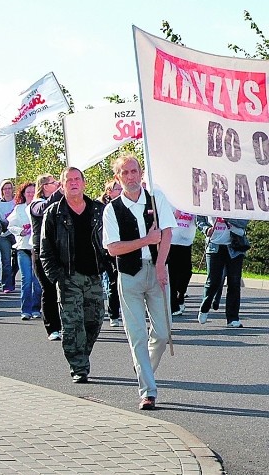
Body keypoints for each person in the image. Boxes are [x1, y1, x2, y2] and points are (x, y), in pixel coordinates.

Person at [102, 154, 176, 410]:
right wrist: (145, 240)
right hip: (129, 274)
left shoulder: (156, 199)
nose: (131, 177)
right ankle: (148, 390)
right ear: (118, 178)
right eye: (126, 173)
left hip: (156, 271)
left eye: (134, 171)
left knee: (164, 332)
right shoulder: (112, 209)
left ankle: (144, 367)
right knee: (137, 336)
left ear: (141, 173)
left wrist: (160, 265)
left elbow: (167, 233)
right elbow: (112, 248)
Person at [40, 167, 107, 383]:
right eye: (69, 180)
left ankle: (82, 354)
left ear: (84, 183)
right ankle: (79, 367)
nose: (74, 183)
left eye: (77, 179)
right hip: (68, 276)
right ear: (62, 185)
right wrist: (57, 277)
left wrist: (109, 265)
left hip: (94, 275)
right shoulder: (54, 213)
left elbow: (109, 240)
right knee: (72, 325)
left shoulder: (98, 210)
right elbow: (45, 248)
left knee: (94, 321)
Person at [196, 216, 249, 328]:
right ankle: (205, 307)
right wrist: (205, 229)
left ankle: (233, 318)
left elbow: (244, 222)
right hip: (214, 246)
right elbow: (199, 219)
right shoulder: (208, 202)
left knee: (234, 283)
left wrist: (228, 218)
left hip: (235, 245)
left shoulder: (238, 203)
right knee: (213, 281)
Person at [29, 174, 62, 341]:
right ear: (44, 186)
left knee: (61, 288)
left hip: (57, 250)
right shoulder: (36, 203)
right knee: (48, 289)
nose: (57, 184)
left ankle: (63, 324)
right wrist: (61, 190)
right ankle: (52, 328)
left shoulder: (59, 201)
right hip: (41, 251)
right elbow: (44, 209)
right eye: (53, 182)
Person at [9, 182, 42, 320]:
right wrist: (20, 231)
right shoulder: (19, 209)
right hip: (23, 248)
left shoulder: (40, 206)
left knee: (37, 282)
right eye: (28, 192)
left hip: (36, 248)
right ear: (23, 193)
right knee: (26, 280)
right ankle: (25, 310)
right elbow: (10, 225)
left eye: (33, 192)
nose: (30, 194)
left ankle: (36, 308)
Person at [98, 180, 122, 327]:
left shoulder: (124, 205)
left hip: (123, 247)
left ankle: (121, 312)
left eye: (120, 188)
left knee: (121, 281)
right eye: (117, 189)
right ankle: (113, 314)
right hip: (106, 249)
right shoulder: (103, 208)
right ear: (109, 192)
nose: (119, 191)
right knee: (113, 282)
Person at [168, 209, 196, 316]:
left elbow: (199, 220)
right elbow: (162, 219)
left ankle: (181, 294)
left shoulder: (191, 204)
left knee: (187, 273)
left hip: (186, 242)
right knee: (172, 275)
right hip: (172, 242)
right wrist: (174, 216)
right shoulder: (171, 202)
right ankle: (173, 305)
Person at [0, 179, 17, 293]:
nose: (7, 191)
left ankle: (12, 278)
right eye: (5, 188)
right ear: (1, 191)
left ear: (12, 189)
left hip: (17, 234)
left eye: (9, 188)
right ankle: (7, 285)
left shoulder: (17, 202)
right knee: (6, 260)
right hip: (3, 235)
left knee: (17, 261)